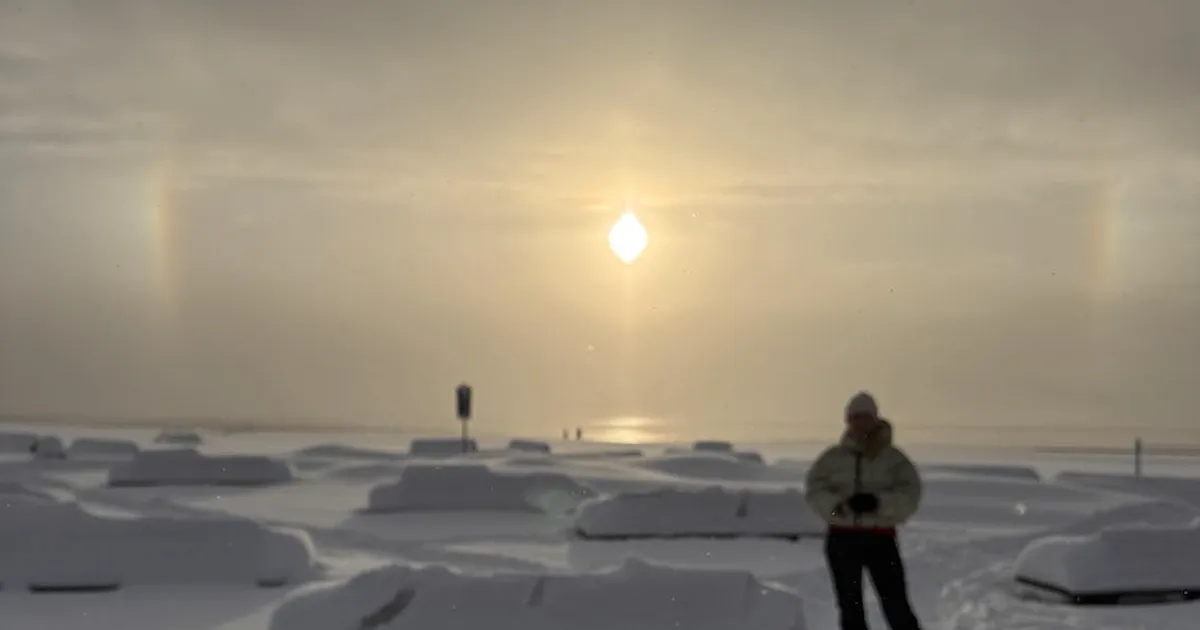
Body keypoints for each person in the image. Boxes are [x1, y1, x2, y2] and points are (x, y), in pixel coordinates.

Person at [805, 391, 923, 630]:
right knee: (850, 607)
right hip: (842, 540)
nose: (860, 423)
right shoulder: (831, 459)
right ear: (848, 421)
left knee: (896, 605)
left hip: (880, 539)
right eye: (855, 417)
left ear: (875, 419)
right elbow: (815, 491)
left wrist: (878, 503)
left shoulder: (894, 459)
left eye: (865, 417)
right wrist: (839, 508)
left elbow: (910, 495)